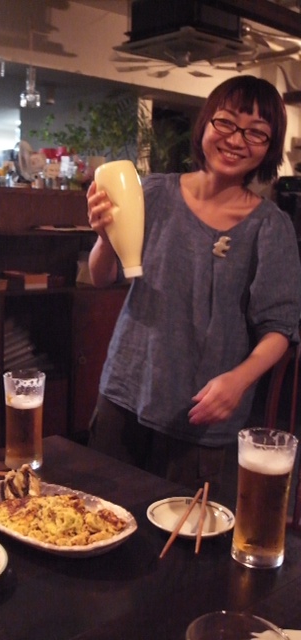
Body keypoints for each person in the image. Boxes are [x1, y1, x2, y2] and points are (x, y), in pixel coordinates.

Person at [86, 75, 301, 494]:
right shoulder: (152, 193)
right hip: (123, 394)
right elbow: (101, 277)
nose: (236, 140)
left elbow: (279, 329)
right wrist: (103, 236)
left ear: (269, 147)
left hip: (199, 415)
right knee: (97, 516)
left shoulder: (270, 227)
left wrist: (238, 381)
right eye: (227, 122)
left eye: (256, 132)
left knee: (179, 534)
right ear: (206, 123)